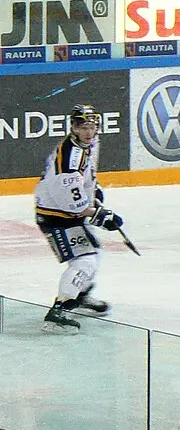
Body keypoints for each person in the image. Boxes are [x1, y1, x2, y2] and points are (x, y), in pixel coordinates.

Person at [34, 106, 123, 333]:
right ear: (73, 127)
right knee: (84, 261)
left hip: (64, 211)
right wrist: (99, 215)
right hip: (56, 215)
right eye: (83, 127)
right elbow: (70, 204)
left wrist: (95, 191)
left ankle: (80, 295)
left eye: (92, 127)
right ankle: (58, 313)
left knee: (92, 251)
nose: (89, 132)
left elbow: (87, 174)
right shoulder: (69, 159)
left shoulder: (89, 143)